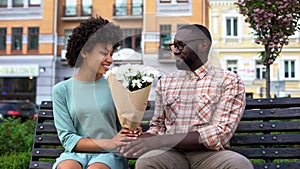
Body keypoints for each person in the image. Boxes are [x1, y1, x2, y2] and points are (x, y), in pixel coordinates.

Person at [119, 24, 254, 169]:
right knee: (147, 162)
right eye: (174, 46)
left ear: (202, 46)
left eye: (181, 46)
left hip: (210, 155)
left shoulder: (228, 81)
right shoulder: (166, 82)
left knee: (239, 164)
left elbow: (220, 134)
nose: (175, 52)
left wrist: (161, 140)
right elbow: (157, 127)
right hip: (171, 154)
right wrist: (140, 138)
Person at [52, 16, 139, 169]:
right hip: (76, 153)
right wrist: (111, 142)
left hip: (110, 155)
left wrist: (131, 129)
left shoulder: (116, 87)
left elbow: (124, 127)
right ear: (84, 52)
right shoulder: (62, 90)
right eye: (104, 53)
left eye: (111, 54)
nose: (109, 59)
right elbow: (67, 138)